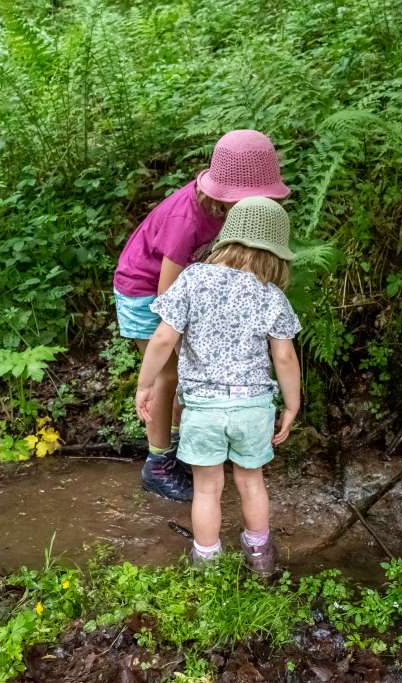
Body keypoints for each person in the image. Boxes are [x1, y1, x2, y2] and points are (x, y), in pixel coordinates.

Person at [114, 131, 290, 502]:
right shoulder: (187, 218)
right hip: (145, 292)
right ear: (229, 197)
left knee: (188, 373)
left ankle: (180, 446)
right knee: (170, 373)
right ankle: (158, 462)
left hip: (184, 292)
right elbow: (167, 297)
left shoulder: (228, 213)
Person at [135, 197, 301, 575]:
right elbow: (286, 358)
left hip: (203, 409)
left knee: (207, 489)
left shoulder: (192, 279)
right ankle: (260, 555)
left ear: (225, 238)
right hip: (253, 407)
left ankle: (206, 562)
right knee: (251, 482)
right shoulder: (270, 295)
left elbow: (162, 339)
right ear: (276, 252)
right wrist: (291, 405)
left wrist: (145, 385)